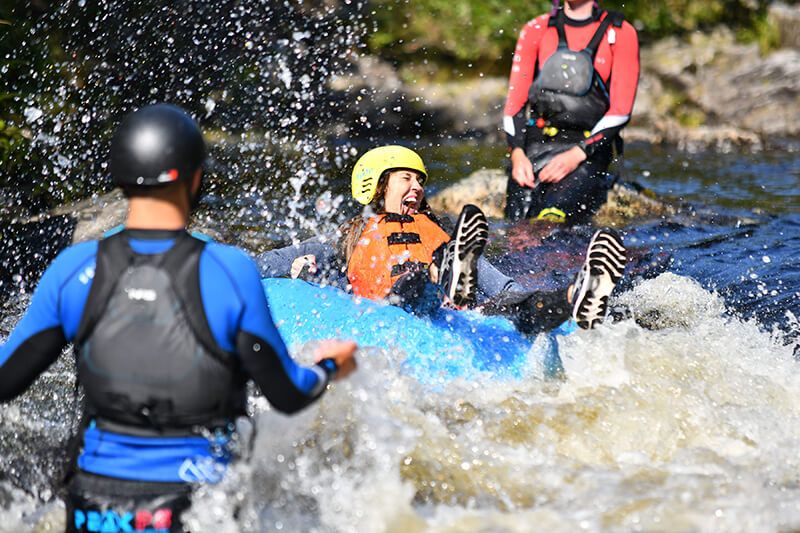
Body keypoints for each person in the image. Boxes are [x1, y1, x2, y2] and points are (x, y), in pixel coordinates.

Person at [0, 104, 357, 532]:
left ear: (120, 178)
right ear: (196, 178)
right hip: (197, 503)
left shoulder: (73, 269)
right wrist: (330, 364)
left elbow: (5, 379)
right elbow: (289, 393)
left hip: (94, 504)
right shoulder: (229, 270)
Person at [259, 145, 628, 333]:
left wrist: (522, 298)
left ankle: (576, 295)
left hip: (458, 306)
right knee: (414, 285)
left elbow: (501, 286)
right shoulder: (347, 237)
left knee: (515, 307)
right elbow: (266, 263)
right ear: (377, 185)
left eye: (420, 181)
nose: (417, 187)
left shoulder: (445, 234)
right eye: (406, 178)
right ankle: (439, 275)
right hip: (393, 305)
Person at [503, 0, 640, 223]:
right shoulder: (537, 28)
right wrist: (518, 155)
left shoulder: (621, 32)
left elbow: (621, 111)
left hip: (587, 151)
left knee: (553, 217)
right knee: (517, 220)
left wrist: (577, 154)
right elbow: (514, 106)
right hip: (535, 147)